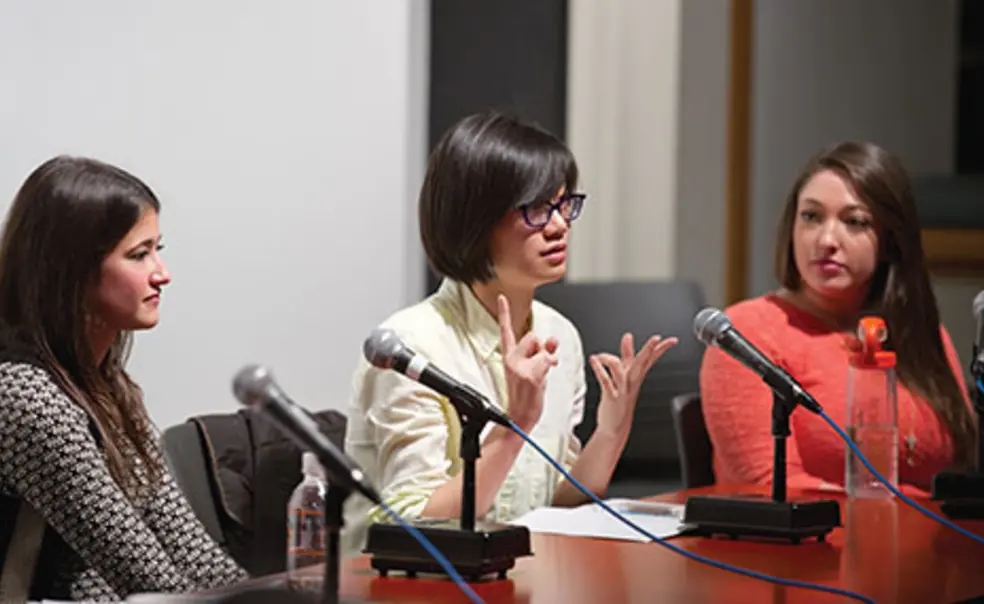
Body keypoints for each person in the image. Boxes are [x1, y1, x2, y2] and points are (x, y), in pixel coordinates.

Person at [341, 111, 678, 553]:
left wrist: (612, 430)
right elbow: (414, 523)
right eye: (537, 209)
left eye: (564, 205)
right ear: (474, 220)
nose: (559, 226)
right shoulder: (410, 346)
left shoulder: (560, 336)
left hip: (510, 575)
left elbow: (555, 505)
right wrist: (515, 425)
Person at [0, 156, 248, 601]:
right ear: (72, 272)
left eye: (158, 249)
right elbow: (144, 577)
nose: (162, 274)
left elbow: (191, 551)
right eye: (139, 255)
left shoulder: (105, 383)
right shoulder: (25, 395)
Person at [700, 141, 975, 495]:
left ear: (891, 241)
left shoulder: (920, 331)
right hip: (803, 547)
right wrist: (909, 506)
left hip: (930, 547)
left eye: (854, 221)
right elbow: (767, 485)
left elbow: (960, 468)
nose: (827, 239)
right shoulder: (748, 334)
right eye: (811, 217)